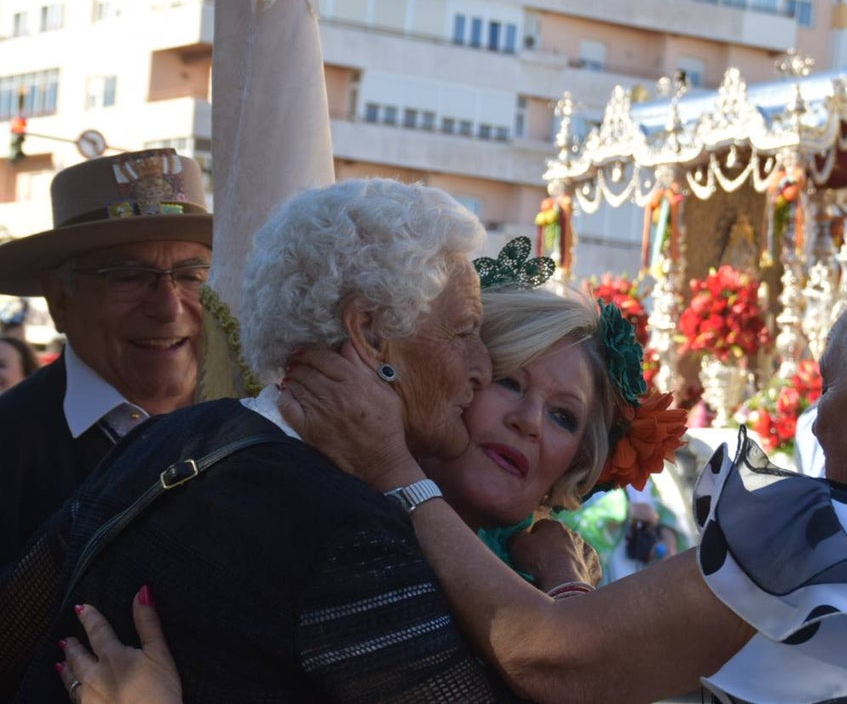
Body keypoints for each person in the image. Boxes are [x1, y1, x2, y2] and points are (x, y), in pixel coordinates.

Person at [57, 227, 847, 702]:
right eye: (503, 376)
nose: (817, 425)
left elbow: (554, 660)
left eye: (834, 390)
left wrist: (403, 475)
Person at [3, 178, 538, 703]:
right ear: (370, 333)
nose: (483, 369)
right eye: (465, 331)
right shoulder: (351, 534)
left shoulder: (171, 433)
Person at [0, 149, 212, 564]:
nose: (169, 308)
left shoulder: (271, 418)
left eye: (191, 276)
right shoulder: (9, 446)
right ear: (60, 301)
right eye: (128, 277)